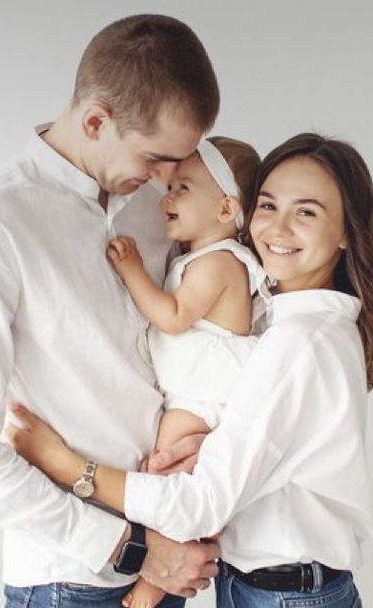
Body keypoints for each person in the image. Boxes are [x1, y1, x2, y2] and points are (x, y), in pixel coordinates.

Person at [6, 133, 373, 607]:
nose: (277, 227)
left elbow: (200, 505)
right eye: (269, 205)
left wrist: (64, 465)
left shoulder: (300, 341)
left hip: (286, 593)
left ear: (345, 232)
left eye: (306, 212)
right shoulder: (277, 318)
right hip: (266, 586)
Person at [0, 14, 223, 608]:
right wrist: (126, 547)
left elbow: (201, 345)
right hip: (71, 581)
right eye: (158, 158)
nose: (170, 180)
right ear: (95, 121)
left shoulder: (155, 211)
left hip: (170, 568)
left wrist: (204, 444)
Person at [105, 136, 263, 608]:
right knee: (174, 477)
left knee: (173, 481)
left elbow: (173, 315)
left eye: (183, 188)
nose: (167, 197)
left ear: (225, 208)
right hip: (194, 394)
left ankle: (154, 582)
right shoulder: (200, 258)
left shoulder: (221, 263)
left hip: (204, 399)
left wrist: (133, 270)